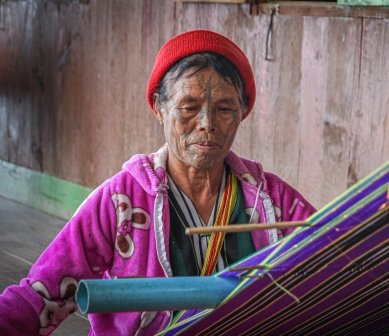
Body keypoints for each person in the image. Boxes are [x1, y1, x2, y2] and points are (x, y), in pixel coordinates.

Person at [0, 30, 315, 335]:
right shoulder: (119, 202)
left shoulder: (270, 200)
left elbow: (333, 257)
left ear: (243, 111)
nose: (208, 124)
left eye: (224, 108)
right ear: (159, 107)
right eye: (189, 108)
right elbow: (40, 296)